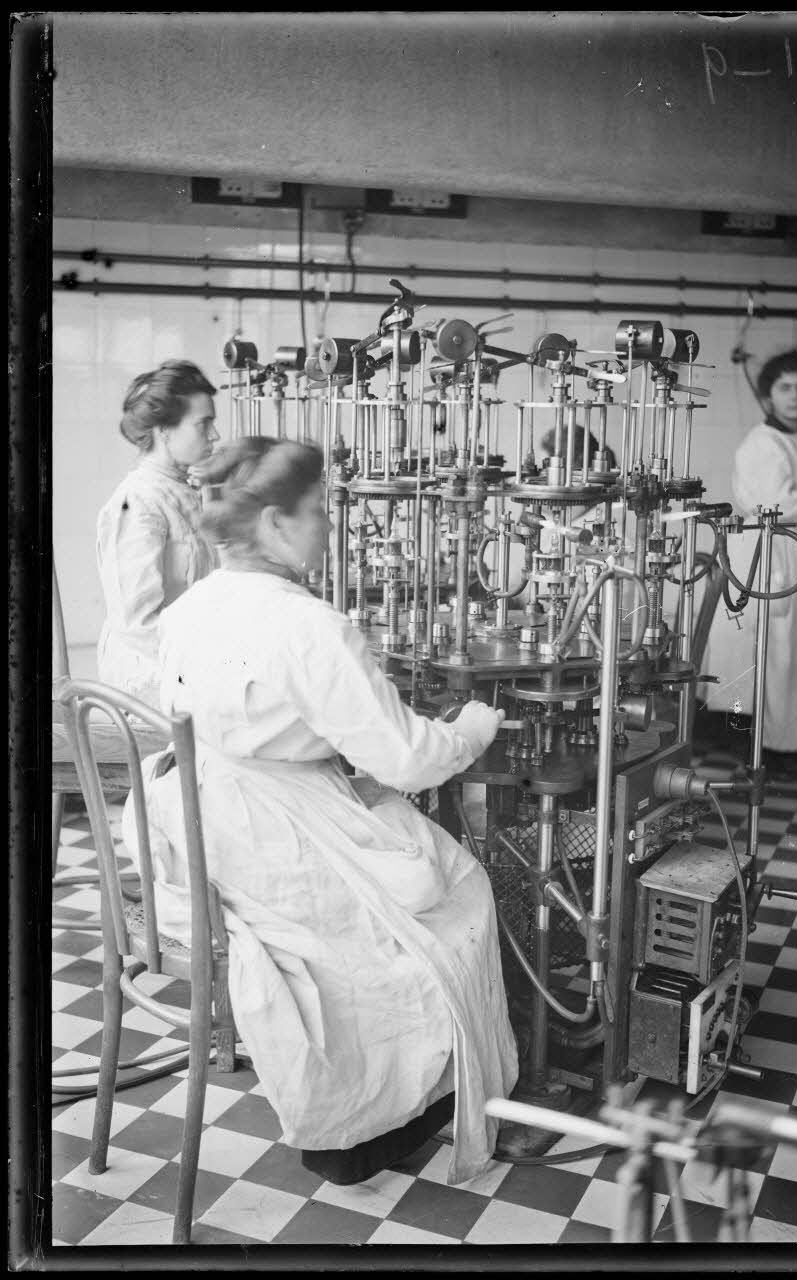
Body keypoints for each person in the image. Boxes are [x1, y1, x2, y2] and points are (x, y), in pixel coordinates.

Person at [122, 436, 518, 1187]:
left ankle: (367, 1100)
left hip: (207, 822)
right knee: (458, 889)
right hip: (276, 832)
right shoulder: (307, 625)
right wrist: (471, 728)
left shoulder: (199, 601)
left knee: (401, 877)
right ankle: (372, 1121)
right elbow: (405, 757)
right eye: (320, 514)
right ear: (274, 523)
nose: (331, 530)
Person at [699, 349, 797, 762]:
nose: (795, 396)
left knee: (796, 650)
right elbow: (780, 503)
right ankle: (762, 748)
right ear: (768, 397)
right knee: (768, 651)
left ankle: (787, 741)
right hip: (768, 552)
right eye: (785, 387)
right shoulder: (761, 443)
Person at [96, 360, 221, 707]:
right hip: (148, 679)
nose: (215, 435)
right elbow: (137, 625)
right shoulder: (137, 503)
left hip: (185, 663)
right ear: (165, 430)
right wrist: (207, 667)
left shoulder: (186, 488)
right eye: (204, 423)